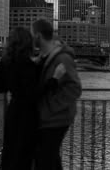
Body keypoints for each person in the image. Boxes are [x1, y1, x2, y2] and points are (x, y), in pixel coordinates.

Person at [31, 19, 82, 170]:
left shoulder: (62, 58)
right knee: (49, 159)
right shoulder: (45, 56)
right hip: (48, 118)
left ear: (38, 36)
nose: (31, 38)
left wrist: (51, 107)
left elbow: (75, 88)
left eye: (32, 34)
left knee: (45, 158)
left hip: (56, 118)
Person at [0, 27, 39, 170]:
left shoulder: (6, 62)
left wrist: (10, 84)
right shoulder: (29, 65)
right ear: (28, 44)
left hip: (13, 112)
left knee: (11, 152)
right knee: (25, 154)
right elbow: (36, 92)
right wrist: (54, 79)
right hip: (29, 115)